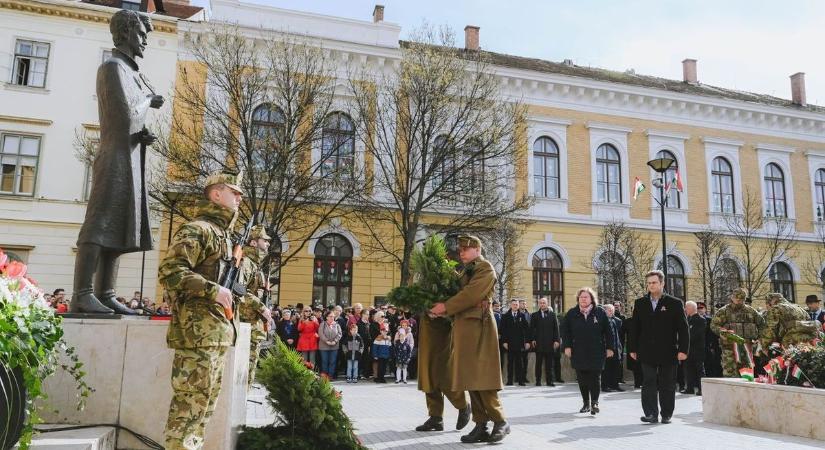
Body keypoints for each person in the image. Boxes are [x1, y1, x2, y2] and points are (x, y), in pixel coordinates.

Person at [72, 10, 164, 315]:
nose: (145, 41)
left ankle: (105, 292)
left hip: (130, 155)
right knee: (99, 222)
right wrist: (148, 100)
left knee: (118, 225)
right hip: (114, 156)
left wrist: (144, 134)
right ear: (124, 33)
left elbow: (132, 123)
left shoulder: (130, 70)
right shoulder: (112, 67)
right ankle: (81, 293)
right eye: (141, 34)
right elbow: (124, 116)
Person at [158, 171, 242, 450]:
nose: (239, 197)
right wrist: (212, 290)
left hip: (215, 333)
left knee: (203, 407)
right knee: (189, 407)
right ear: (216, 194)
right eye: (234, 191)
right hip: (197, 334)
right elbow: (170, 271)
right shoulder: (199, 229)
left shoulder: (223, 236)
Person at [429, 235, 508, 444]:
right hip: (465, 327)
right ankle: (481, 424)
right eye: (460, 249)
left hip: (479, 327)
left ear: (476, 249)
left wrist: (445, 307)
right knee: (469, 377)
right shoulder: (465, 270)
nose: (461, 252)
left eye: (465, 249)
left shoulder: (485, 268)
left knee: (483, 376)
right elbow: (455, 292)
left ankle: (500, 421)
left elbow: (471, 295)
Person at [628, 270, 689, 425]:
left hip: (668, 351)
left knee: (667, 383)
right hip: (646, 351)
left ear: (662, 283)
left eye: (654, 282)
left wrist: (683, 350)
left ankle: (666, 414)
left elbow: (683, 328)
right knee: (648, 382)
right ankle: (650, 414)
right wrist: (632, 348)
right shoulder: (640, 303)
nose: (651, 286)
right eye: (649, 283)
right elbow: (634, 328)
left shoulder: (674, 303)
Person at [415, 312, 471, 433]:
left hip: (443, 326)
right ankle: (436, 417)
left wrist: (444, 310)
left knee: (444, 374)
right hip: (426, 325)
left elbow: (455, 298)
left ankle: (463, 405)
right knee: (427, 375)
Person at [562, 287, 614, 415]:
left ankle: (594, 402)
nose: (583, 299)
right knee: (582, 378)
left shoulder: (600, 313)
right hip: (578, 350)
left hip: (597, 350)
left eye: (586, 297)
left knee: (595, 377)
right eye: (581, 297)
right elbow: (565, 331)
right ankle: (586, 403)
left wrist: (610, 348)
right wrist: (567, 346)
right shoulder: (572, 313)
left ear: (591, 299)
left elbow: (609, 332)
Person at [710, 288, 764, 377]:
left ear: (744, 299)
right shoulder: (724, 311)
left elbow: (762, 324)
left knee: (747, 373)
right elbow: (714, 325)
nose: (738, 301)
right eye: (736, 298)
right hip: (730, 347)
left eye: (741, 299)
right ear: (732, 298)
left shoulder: (751, 311)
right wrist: (723, 332)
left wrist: (759, 338)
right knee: (730, 372)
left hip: (747, 347)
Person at [500, 299, 531, 386]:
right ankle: (510, 381)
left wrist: (528, 342)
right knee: (510, 363)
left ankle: (521, 381)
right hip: (509, 344)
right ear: (510, 305)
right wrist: (504, 342)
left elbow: (527, 329)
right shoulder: (505, 316)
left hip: (520, 343)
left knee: (520, 363)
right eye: (513, 304)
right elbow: (502, 330)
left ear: (518, 306)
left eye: (516, 305)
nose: (515, 306)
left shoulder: (522, 315)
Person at [530, 297, 560, 387]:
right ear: (539, 304)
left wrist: (556, 340)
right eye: (541, 303)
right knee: (538, 364)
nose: (542, 304)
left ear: (547, 304)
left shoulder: (553, 315)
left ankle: (549, 381)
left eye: (544, 303)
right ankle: (538, 381)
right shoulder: (534, 315)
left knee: (549, 364)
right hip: (538, 343)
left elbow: (556, 329)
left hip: (550, 343)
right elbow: (532, 329)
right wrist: (533, 339)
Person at [683, 301, 706, 396]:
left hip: (697, 349)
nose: (685, 309)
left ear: (692, 308)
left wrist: (685, 339)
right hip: (688, 349)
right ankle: (689, 388)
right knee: (688, 369)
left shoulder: (700, 319)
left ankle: (702, 389)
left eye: (686, 307)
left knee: (699, 369)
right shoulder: (687, 319)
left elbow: (696, 334)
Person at [601, 304, 623, 392]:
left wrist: (619, 346)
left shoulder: (614, 321)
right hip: (607, 348)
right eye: (609, 310)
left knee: (616, 367)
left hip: (616, 348)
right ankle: (605, 385)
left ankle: (615, 385)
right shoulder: (602, 321)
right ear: (604, 311)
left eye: (612, 310)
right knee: (607, 368)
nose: (611, 312)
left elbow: (616, 335)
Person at [318, 311, 343, 379]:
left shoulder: (337, 325)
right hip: (324, 346)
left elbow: (340, 334)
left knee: (333, 362)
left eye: (333, 316)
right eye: (330, 316)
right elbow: (320, 334)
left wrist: (335, 341)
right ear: (326, 317)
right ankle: (324, 376)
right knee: (324, 362)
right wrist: (327, 341)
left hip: (334, 346)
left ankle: (330, 376)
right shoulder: (322, 324)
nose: (332, 318)